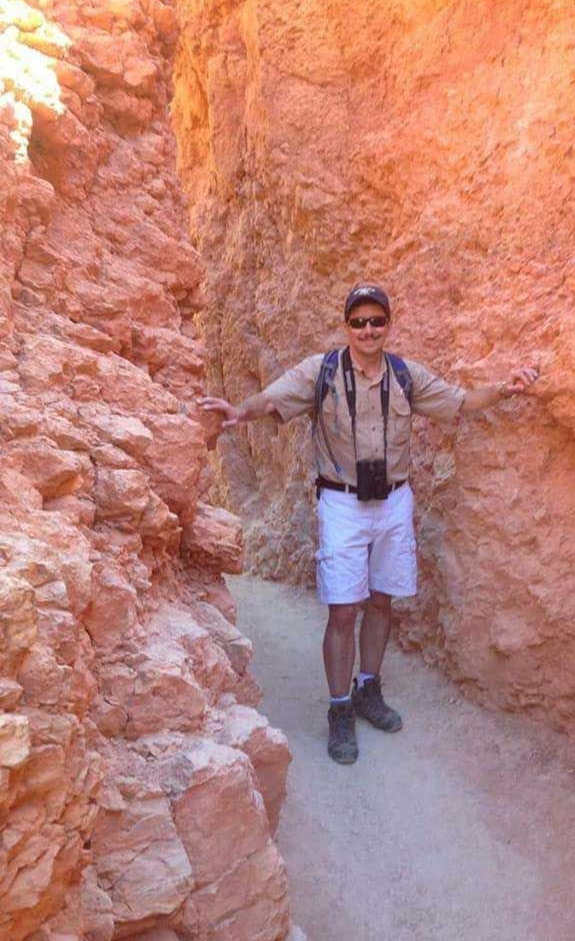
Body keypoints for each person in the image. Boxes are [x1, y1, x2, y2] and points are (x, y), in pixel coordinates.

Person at [199, 285, 539, 765]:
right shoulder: (323, 372)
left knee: (382, 601)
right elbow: (273, 400)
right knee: (343, 609)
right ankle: (339, 709)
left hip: (394, 502)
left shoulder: (404, 375)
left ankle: (367, 689)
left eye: (376, 321)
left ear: (387, 325)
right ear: (347, 327)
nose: (368, 330)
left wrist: (505, 389)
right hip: (341, 504)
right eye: (358, 322)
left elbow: (460, 402)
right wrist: (239, 412)